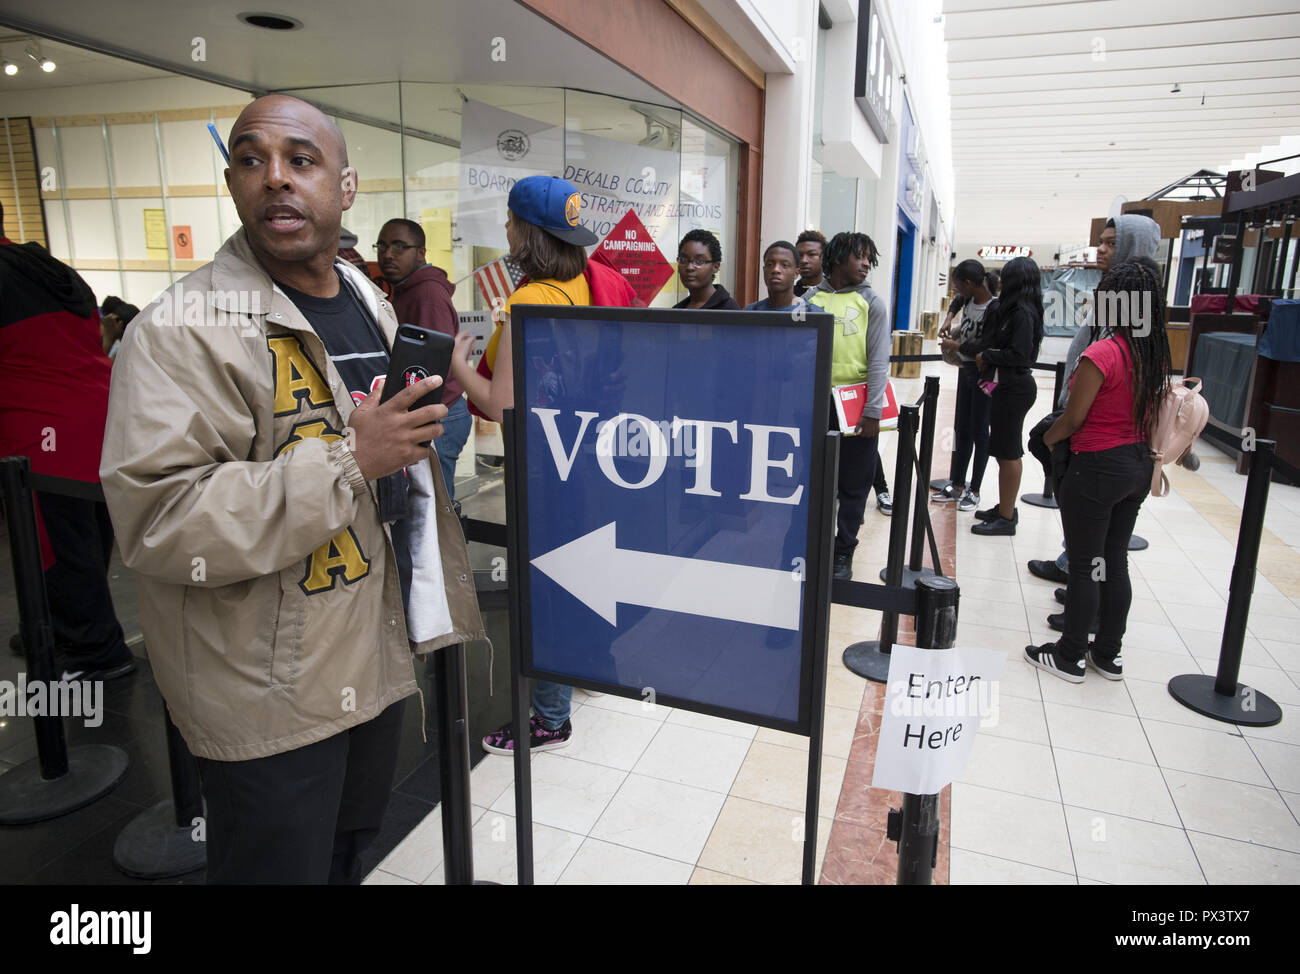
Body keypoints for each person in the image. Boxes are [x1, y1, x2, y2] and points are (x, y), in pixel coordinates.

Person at [100, 94, 485, 884]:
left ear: (345, 189)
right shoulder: (180, 329)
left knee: (347, 856)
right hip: (264, 692)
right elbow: (161, 519)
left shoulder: (360, 292)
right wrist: (351, 459)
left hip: (371, 655)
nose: (275, 178)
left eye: (301, 160)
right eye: (251, 159)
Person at [449, 174, 636, 754]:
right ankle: (593, 667)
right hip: (590, 459)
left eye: (509, 219)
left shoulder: (529, 300)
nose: (504, 227)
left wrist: (457, 362)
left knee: (547, 590)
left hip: (544, 469)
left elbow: (500, 405)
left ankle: (550, 718)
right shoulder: (590, 282)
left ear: (527, 231)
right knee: (585, 571)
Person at [0, 205, 136, 678]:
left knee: (55, 544)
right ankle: (57, 626)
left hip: (42, 432)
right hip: (100, 414)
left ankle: (97, 651)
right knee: (85, 535)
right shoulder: (43, 266)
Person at [1025, 259, 1171, 682]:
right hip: (1138, 466)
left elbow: (1072, 419)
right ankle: (1108, 655)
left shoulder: (1101, 353)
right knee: (1114, 562)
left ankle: (1068, 655)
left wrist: (1049, 441)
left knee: (1086, 565)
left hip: (1096, 468)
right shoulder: (1154, 354)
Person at [1026, 214, 1159, 584]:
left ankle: (1083, 587)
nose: (1101, 249)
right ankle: (1074, 566)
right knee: (1082, 518)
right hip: (1085, 423)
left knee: (1097, 531)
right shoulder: (1113, 294)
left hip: (1100, 434)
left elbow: (1121, 372)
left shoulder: (1136, 305)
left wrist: (1063, 427)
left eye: (1112, 243)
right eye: (1102, 241)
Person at [808, 232, 891, 579]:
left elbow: (878, 360)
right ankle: (814, 544)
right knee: (815, 480)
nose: (866, 264)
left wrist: (873, 410)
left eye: (870, 258)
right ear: (839, 257)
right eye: (860, 256)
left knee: (854, 482)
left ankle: (844, 551)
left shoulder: (873, 302)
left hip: (855, 406)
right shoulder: (810, 297)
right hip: (815, 403)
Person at [378, 217, 471, 500]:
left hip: (440, 413)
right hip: (431, 412)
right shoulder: (409, 288)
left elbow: (434, 367)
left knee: (437, 511)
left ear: (420, 253)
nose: (388, 255)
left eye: (399, 247)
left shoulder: (427, 294)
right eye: (381, 246)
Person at [964, 255, 1044, 536]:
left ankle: (1007, 517)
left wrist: (988, 354)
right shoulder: (1015, 310)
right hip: (1008, 387)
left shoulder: (1022, 312)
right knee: (1002, 451)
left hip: (1014, 387)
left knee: (1009, 453)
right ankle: (1004, 507)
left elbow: (1020, 355)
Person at [935, 260, 997, 512]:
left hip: (986, 375)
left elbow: (987, 347)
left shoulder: (994, 309)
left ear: (970, 284)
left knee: (980, 432)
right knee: (962, 428)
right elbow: (958, 302)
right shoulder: (968, 300)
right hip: (967, 371)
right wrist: (949, 318)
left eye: (960, 286)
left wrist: (955, 347)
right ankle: (957, 483)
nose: (958, 291)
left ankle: (975, 489)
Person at [674, 228, 740, 309]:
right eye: (684, 260)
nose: (689, 267)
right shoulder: (677, 310)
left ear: (716, 266)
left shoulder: (729, 310)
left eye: (699, 261)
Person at [744, 240, 815, 313]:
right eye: (770, 264)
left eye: (784, 265)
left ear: (796, 273)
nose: (775, 269)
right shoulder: (750, 312)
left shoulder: (813, 314)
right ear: (764, 270)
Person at [794, 229, 827, 297]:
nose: (804, 260)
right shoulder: (788, 295)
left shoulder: (835, 293)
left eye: (811, 254)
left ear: (824, 257)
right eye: (799, 255)